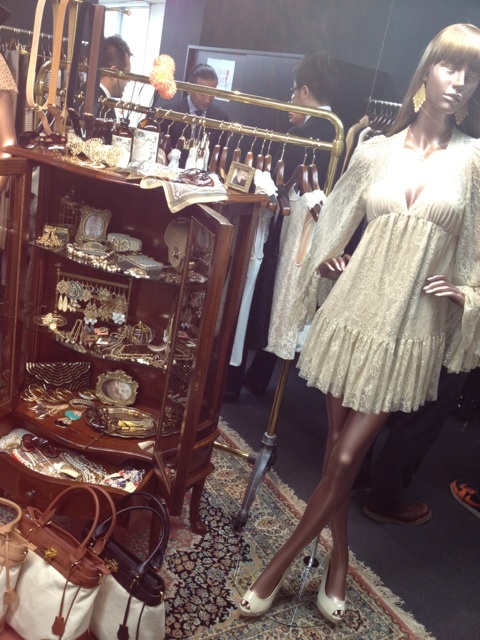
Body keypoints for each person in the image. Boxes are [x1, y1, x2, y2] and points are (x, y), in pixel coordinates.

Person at [239, 23, 480, 624]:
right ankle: (339, 564)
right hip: (351, 314)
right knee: (335, 456)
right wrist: (327, 260)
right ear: (427, 70)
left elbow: (474, 251)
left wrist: (468, 293)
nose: (460, 81)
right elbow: (333, 225)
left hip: (409, 331)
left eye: (473, 72)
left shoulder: (474, 161)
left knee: (346, 460)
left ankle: (278, 567)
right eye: (451, 66)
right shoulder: (373, 150)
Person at [224, 50, 338, 401]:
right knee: (286, 300)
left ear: (304, 91)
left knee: (265, 291)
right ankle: (258, 374)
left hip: (290, 226)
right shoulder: (339, 132)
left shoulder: (303, 136)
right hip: (315, 225)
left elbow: (281, 184)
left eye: (293, 91)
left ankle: (237, 377)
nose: (290, 99)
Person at [155, 63, 229, 166]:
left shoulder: (221, 117)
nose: (207, 99)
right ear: (188, 89)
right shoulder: (169, 113)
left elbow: (218, 159)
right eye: (202, 93)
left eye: (212, 93)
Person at [98, 35, 133, 119]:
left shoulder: (86, 92)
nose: (129, 80)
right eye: (127, 73)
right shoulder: (103, 108)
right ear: (113, 73)